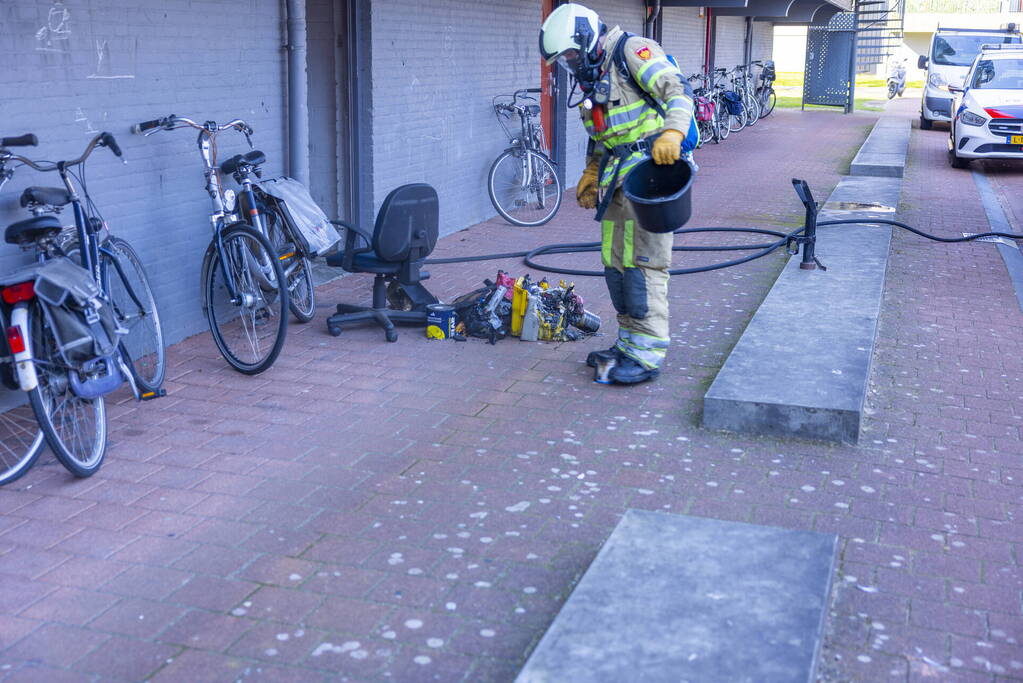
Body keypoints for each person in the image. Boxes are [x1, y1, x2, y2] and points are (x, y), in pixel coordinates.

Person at [539, 3, 695, 384]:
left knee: (644, 266)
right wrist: (591, 170)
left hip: (650, 178)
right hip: (616, 184)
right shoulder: (594, 78)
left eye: (572, 54)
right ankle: (627, 344)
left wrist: (673, 132)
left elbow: (678, 90)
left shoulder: (632, 51)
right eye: (565, 60)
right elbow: (602, 135)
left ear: (588, 37)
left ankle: (646, 356)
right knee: (616, 267)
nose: (571, 64)